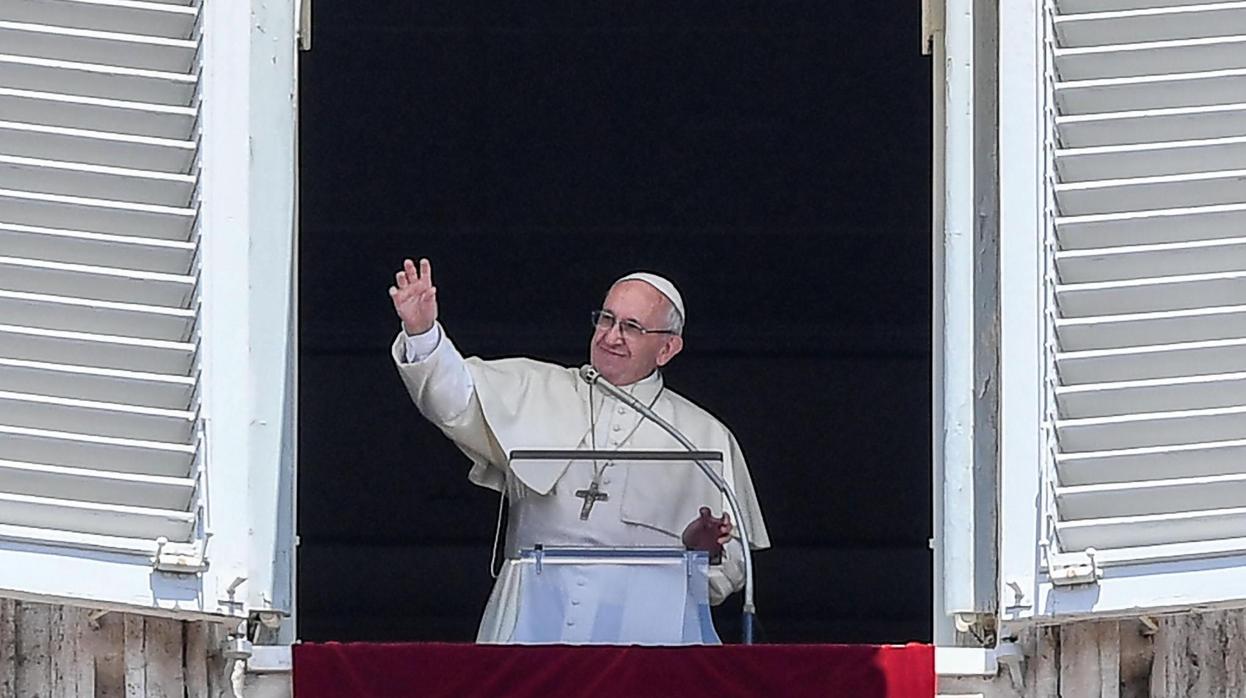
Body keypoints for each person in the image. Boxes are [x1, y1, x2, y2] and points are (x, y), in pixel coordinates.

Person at [389, 258, 769, 643]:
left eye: (631, 327)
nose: (611, 336)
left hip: (648, 624)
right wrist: (422, 332)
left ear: (667, 348)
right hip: (533, 612)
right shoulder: (536, 387)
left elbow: (732, 567)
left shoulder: (701, 434)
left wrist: (699, 553)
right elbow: (456, 399)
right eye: (606, 319)